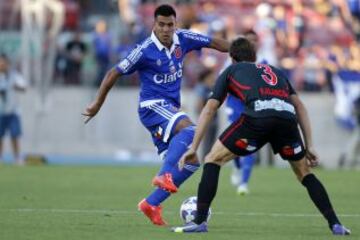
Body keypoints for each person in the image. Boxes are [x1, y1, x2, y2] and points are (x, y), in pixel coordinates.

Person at [171, 37, 351, 235]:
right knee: (304, 173)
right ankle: (336, 224)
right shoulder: (276, 71)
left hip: (257, 118)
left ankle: (199, 221)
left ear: (232, 58)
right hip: (286, 120)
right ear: (255, 56)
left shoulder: (231, 71)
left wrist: (194, 147)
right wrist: (310, 145)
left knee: (212, 159)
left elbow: (210, 108)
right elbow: (299, 106)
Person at [82, 4, 229, 226]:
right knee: (190, 130)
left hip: (169, 109)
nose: (166, 29)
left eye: (170, 24)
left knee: (191, 163)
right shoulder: (144, 50)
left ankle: (151, 203)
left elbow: (214, 43)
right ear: (154, 25)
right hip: (152, 108)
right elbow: (114, 72)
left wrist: (238, 52)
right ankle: (164, 175)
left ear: (175, 24)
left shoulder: (183, 39)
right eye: (161, 24)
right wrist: (97, 103)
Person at [225, 30, 260, 195]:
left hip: (253, 107)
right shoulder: (231, 62)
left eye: (255, 41)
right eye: (249, 40)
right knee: (236, 144)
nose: (252, 43)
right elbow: (222, 83)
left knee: (250, 144)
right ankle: (237, 165)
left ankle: (244, 183)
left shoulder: (265, 62)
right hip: (235, 106)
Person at [0, 53, 27, 165]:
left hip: (13, 111)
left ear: (7, 63)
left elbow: (24, 87)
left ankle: (17, 158)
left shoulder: (14, 75)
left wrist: (15, 86)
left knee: (14, 135)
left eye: (3, 62)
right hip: (1, 111)